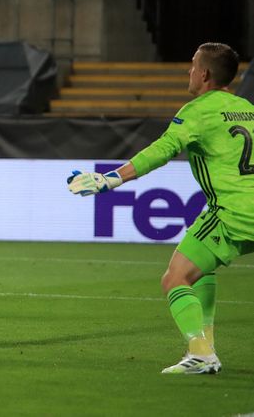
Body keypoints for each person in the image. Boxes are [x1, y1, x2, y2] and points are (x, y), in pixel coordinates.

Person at [68, 42, 253, 375]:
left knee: (175, 278)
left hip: (233, 214)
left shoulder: (198, 110)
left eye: (193, 65)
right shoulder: (248, 109)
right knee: (201, 269)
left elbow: (163, 149)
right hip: (243, 207)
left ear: (205, 74)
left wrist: (112, 178)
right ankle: (205, 346)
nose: (189, 71)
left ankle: (201, 353)